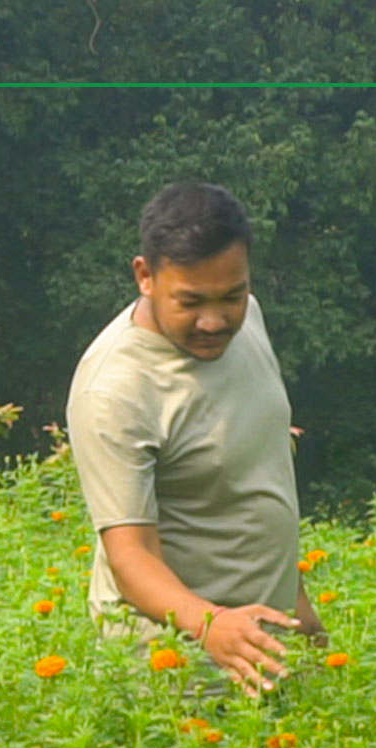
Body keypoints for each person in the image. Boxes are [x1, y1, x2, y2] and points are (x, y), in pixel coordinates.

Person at [65, 182, 325, 697]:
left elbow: (256, 481)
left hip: (264, 644)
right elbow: (130, 556)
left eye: (232, 295)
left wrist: (301, 611)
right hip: (171, 668)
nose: (214, 321)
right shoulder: (115, 390)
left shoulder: (246, 322)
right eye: (190, 302)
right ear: (145, 276)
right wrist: (211, 625)